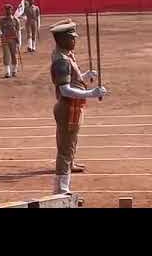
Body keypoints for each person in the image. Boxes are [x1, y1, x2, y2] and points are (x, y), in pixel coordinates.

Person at [50, 20, 107, 194]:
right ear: (61, 39)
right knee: (65, 149)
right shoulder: (61, 61)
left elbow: (73, 80)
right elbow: (65, 90)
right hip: (67, 107)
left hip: (73, 107)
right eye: (71, 38)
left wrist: (85, 76)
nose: (75, 41)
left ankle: (69, 169)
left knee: (70, 144)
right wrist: (92, 93)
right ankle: (62, 188)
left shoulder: (66, 54)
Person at [0, 4, 20, 78]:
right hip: (5, 40)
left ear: (12, 10)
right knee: (6, 56)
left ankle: (14, 71)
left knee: (14, 55)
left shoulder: (16, 20)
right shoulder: (2, 20)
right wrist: (2, 36)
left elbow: (18, 31)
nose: (8, 11)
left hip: (14, 40)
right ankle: (7, 72)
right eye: (6, 10)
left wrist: (19, 41)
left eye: (9, 10)